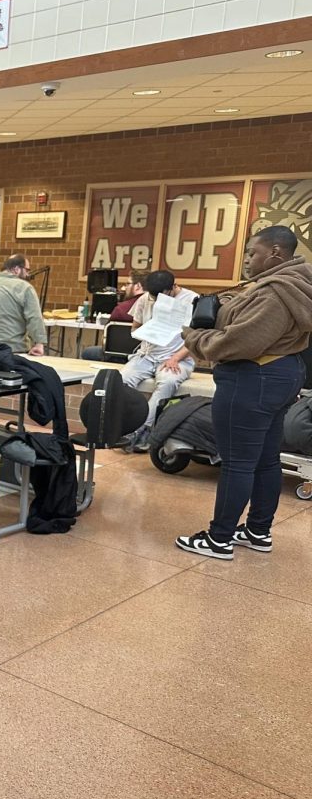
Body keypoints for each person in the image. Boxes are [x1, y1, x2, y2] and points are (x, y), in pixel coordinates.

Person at [176, 226, 312, 559]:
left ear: (276, 252)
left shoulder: (275, 293)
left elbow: (236, 342)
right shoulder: (294, 285)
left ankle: (218, 538)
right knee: (266, 460)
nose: (248, 260)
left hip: (254, 378)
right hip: (281, 374)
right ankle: (257, 531)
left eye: (253, 252)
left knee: (238, 462)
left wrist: (193, 337)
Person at [120, 270, 199, 452]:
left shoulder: (192, 300)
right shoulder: (145, 299)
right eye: (153, 297)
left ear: (173, 287)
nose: (156, 301)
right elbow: (135, 328)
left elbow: (196, 338)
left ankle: (143, 430)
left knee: (167, 383)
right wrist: (150, 329)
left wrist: (176, 358)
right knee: (122, 380)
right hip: (146, 354)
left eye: (161, 296)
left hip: (176, 357)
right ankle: (124, 426)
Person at [0, 253, 47, 355]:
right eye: (27, 270)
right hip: (12, 349)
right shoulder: (24, 287)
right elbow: (34, 318)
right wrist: (39, 344)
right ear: (16, 269)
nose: (28, 274)